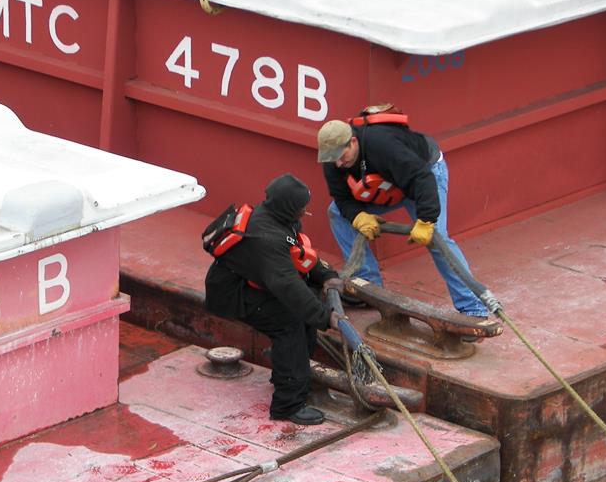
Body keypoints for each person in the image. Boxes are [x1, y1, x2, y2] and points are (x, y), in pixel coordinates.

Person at [204, 173, 344, 426]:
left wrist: (325, 275)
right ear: (289, 207)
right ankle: (287, 404)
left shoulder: (279, 218)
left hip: (255, 282)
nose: (304, 213)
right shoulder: (265, 237)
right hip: (234, 293)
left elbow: (297, 252)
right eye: (302, 208)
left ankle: (292, 374)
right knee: (289, 324)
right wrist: (326, 317)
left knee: (304, 312)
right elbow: (288, 286)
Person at [317, 114, 488, 319]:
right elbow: (342, 198)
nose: (337, 163)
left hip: (423, 176)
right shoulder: (333, 161)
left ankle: (473, 308)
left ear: (353, 142)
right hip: (387, 184)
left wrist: (426, 221)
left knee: (438, 237)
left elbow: (422, 179)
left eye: (341, 156)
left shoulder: (383, 146)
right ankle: (368, 286)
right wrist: (358, 216)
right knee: (337, 213)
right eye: (331, 158)